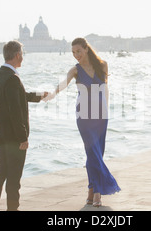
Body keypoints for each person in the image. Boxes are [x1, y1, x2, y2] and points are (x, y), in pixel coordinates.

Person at [44, 38, 121, 207]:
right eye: (73, 53)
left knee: (96, 153)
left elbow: (105, 89)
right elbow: (63, 83)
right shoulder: (75, 70)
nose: (76, 55)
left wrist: (106, 110)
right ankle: (98, 192)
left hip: (101, 116)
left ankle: (90, 191)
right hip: (84, 116)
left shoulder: (103, 66)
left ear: (86, 49)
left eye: (78, 51)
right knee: (93, 152)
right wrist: (52, 94)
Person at [0, 41, 47, 211]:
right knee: (14, 176)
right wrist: (23, 138)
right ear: (18, 55)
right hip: (13, 136)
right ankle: (13, 208)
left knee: (2, 169)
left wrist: (39, 96)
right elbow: (15, 111)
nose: (23, 57)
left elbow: (18, 96)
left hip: (0, 133)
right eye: (22, 54)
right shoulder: (13, 78)